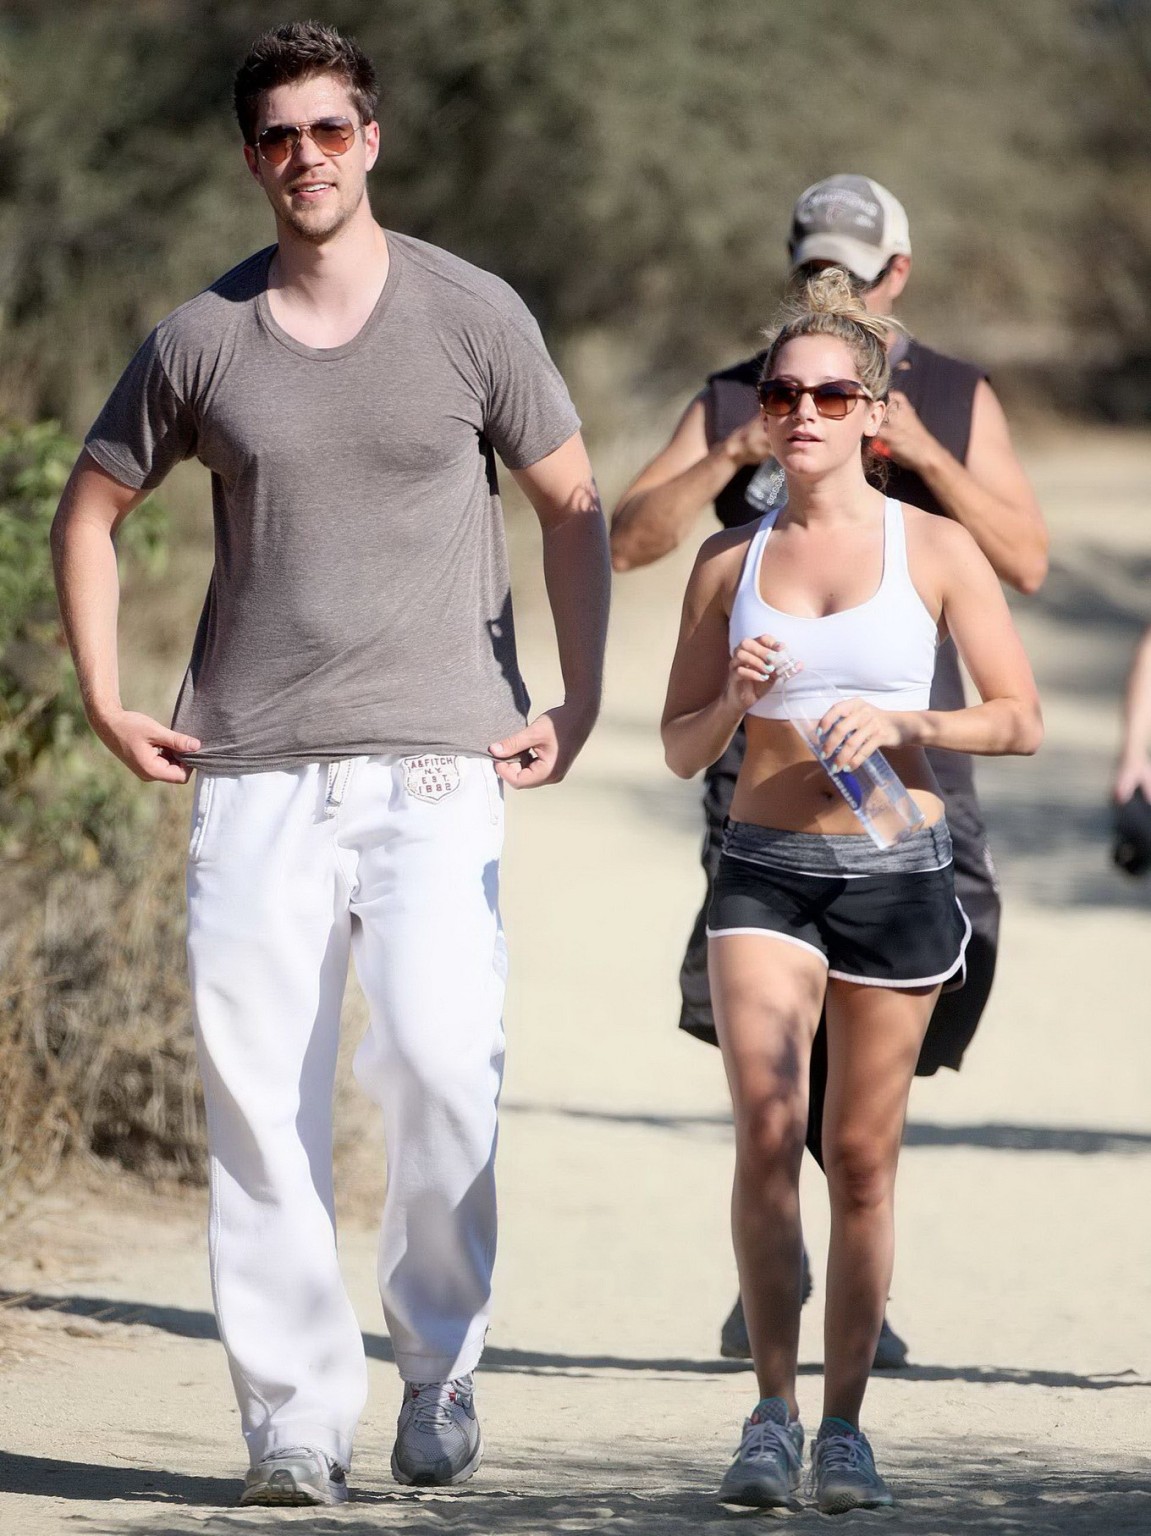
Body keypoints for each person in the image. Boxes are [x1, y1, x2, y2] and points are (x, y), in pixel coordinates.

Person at [50, 20, 609, 1508]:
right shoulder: (199, 339)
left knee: (438, 1068)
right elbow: (90, 510)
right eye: (278, 137)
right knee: (258, 1106)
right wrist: (109, 698)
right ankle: (293, 1417)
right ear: (252, 159)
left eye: (329, 130)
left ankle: (438, 1365)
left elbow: (570, 502)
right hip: (251, 767)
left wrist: (583, 693)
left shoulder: (469, 314)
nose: (306, 157)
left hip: (436, 763)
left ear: (371, 140)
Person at [611, 175, 1048, 1364]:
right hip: (753, 783)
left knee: (914, 1012)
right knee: (764, 1055)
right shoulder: (743, 397)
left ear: (894, 277)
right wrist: (739, 445)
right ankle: (779, 1278)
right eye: (812, 262)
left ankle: (841, 1250)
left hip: (913, 781)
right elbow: (631, 539)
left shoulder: (953, 397)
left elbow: (1024, 561)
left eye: (852, 271)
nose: (829, 284)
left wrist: (920, 455)